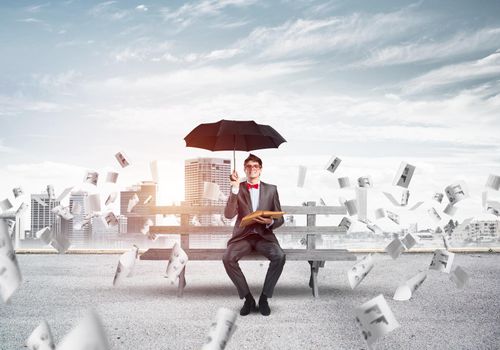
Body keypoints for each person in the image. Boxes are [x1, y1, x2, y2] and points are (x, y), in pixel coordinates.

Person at [223, 153, 285, 316]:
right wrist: (234, 189)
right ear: (244, 169)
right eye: (249, 166)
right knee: (227, 258)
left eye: (255, 166)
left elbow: (280, 219)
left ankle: (264, 298)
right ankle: (248, 299)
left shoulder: (272, 189)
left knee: (279, 256)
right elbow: (229, 215)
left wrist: (270, 222)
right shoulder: (238, 188)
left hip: (264, 236)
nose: (252, 169)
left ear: (261, 169)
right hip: (243, 236)